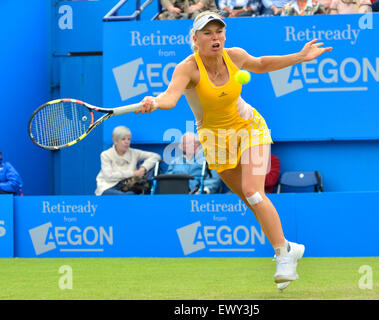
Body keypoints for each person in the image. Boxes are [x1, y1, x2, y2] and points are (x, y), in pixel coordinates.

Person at [136, 11, 332, 288]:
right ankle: (288, 246)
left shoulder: (235, 55)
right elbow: (170, 97)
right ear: (195, 38)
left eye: (219, 31)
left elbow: (261, 64)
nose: (215, 37)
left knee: (254, 191)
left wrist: (299, 57)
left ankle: (282, 255)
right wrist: (154, 101)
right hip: (215, 140)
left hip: (249, 127)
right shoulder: (187, 68)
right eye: (207, 33)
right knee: (250, 200)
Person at [95, 126, 161, 195]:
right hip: (108, 186)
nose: (127, 142)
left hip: (127, 187)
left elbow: (156, 156)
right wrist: (133, 173)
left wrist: (143, 168)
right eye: (123, 139)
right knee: (124, 196)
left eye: (129, 139)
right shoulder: (105, 155)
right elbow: (109, 176)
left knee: (130, 195)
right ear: (115, 141)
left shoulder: (134, 153)